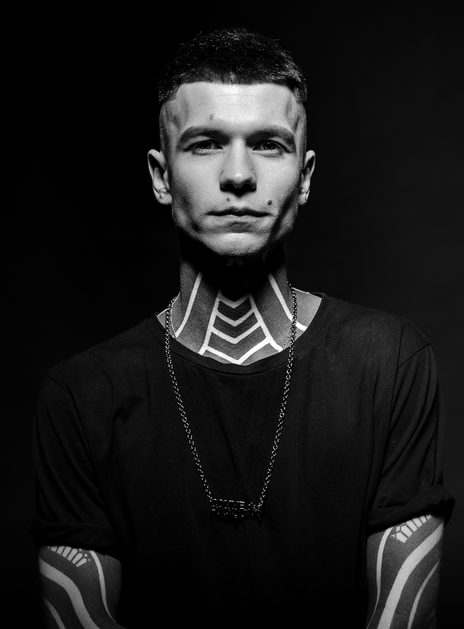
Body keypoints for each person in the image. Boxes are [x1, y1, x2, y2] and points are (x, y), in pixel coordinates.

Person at [30, 28, 453, 628]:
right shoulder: (81, 396)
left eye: (268, 145)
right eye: (205, 144)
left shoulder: (389, 362)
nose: (237, 175)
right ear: (160, 176)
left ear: (305, 176)